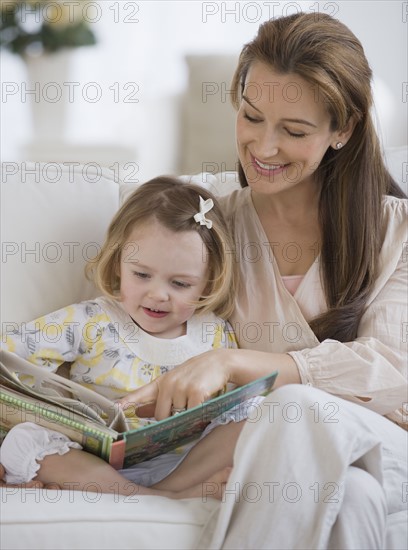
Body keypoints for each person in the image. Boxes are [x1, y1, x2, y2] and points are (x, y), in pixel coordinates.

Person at [119, 12, 408, 549]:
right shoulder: (207, 225)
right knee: (355, 499)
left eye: (294, 131)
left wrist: (234, 362)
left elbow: (391, 366)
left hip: (385, 446)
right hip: (276, 460)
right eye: (251, 117)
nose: (264, 148)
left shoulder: (399, 232)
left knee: (294, 406)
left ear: (343, 130)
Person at [0, 176, 253, 499]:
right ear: (119, 263)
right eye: (142, 275)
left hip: (182, 465)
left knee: (255, 412)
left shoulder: (215, 333)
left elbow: (230, 408)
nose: (158, 294)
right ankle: (159, 498)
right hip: (93, 466)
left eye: (180, 284)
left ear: (207, 282)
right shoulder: (92, 320)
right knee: (24, 439)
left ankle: (163, 492)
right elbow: (11, 359)